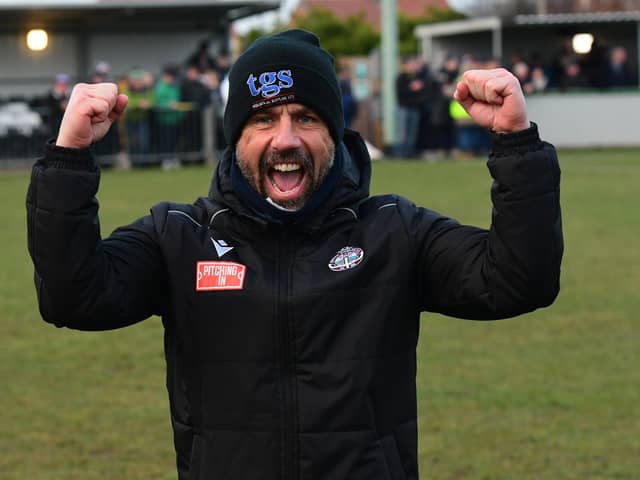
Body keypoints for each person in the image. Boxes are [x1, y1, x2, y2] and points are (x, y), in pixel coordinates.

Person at [26, 29, 563, 479]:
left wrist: (516, 143)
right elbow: (75, 298)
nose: (285, 139)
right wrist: (69, 157)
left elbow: (517, 280)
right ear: (237, 137)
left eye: (305, 118)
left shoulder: (392, 231)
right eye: (263, 120)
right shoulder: (181, 235)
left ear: (334, 132)